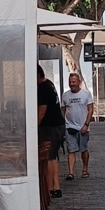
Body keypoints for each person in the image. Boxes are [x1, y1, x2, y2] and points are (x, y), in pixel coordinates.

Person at [37, 65, 66, 201]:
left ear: (37, 75)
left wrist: (33, 128)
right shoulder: (49, 84)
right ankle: (55, 187)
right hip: (57, 125)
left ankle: (51, 187)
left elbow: (41, 112)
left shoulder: (43, 88)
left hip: (50, 127)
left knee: (48, 157)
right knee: (52, 156)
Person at [61, 72, 94, 180]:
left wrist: (86, 124)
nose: (72, 84)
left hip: (83, 127)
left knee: (83, 149)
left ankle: (85, 169)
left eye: (74, 82)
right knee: (71, 150)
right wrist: (65, 123)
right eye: (70, 82)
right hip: (70, 127)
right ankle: (71, 172)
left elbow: (90, 110)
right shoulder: (65, 95)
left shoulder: (86, 94)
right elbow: (63, 110)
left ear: (79, 82)